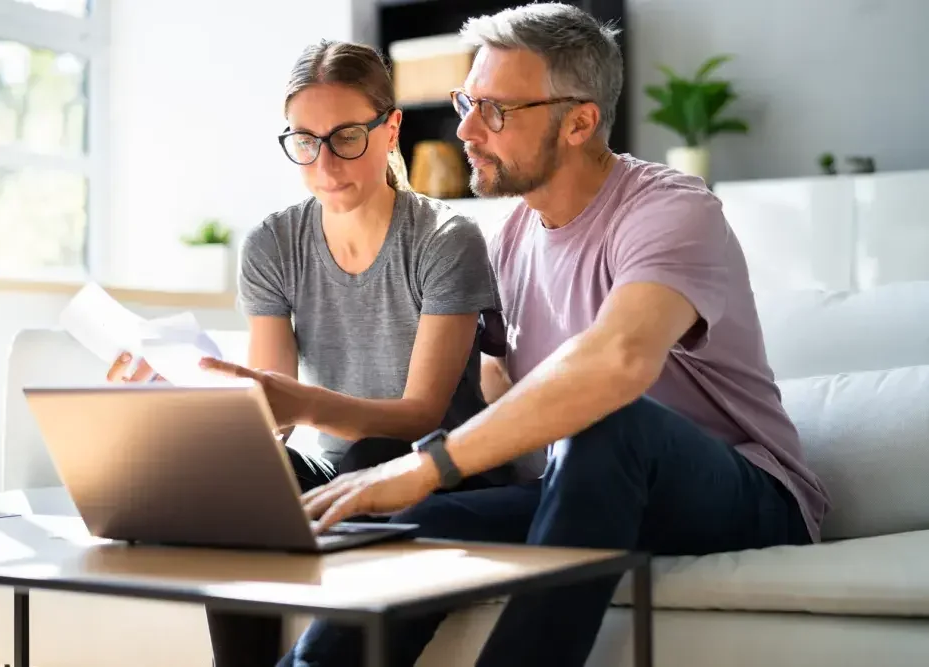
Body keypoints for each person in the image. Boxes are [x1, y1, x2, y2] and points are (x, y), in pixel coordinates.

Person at [254, 3, 833, 667]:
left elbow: (615, 361)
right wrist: (390, 469)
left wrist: (430, 464)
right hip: (583, 492)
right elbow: (496, 388)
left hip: (743, 495)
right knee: (413, 529)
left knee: (609, 421)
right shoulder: (511, 241)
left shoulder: (670, 209)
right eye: (467, 100)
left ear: (580, 120)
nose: (466, 127)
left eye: (496, 109)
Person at [107, 37, 535, 667]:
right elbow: (271, 415)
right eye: (304, 141)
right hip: (340, 476)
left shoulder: (446, 240)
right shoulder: (273, 244)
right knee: (239, 479)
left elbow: (419, 415)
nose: (325, 163)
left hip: (438, 472)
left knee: (377, 447)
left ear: (391, 130)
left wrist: (301, 405)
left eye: (345, 137)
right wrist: (184, 411)